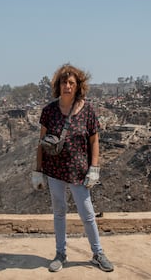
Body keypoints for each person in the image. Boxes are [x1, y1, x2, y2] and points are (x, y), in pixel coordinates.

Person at [35, 63, 114, 272]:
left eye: (71, 83)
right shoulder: (49, 111)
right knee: (59, 212)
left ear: (78, 86)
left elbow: (94, 141)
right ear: (58, 85)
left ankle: (98, 254)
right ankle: (60, 254)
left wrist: (94, 167)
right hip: (55, 171)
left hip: (79, 172)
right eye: (64, 82)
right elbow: (41, 141)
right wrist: (38, 170)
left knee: (87, 213)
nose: (67, 86)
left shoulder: (87, 110)